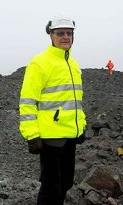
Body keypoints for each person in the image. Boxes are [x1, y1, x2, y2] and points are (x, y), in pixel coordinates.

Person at [19, 16, 87, 205]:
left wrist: (81, 127)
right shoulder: (39, 63)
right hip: (50, 138)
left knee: (65, 183)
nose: (65, 37)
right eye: (60, 33)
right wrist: (32, 135)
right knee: (51, 187)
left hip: (70, 135)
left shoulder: (73, 64)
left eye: (69, 33)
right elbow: (27, 102)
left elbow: (74, 101)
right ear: (51, 35)